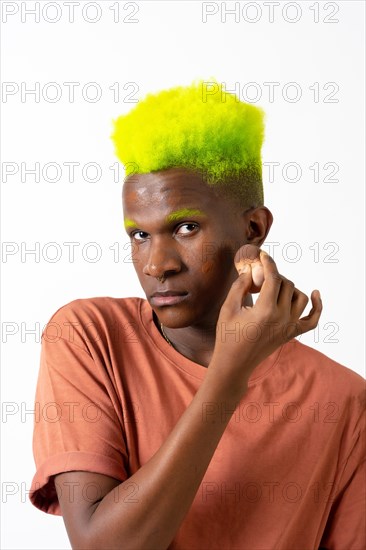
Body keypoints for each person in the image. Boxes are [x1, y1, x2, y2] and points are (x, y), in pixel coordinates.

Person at [29, 81, 365, 549]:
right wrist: (229, 375)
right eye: (138, 235)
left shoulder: (345, 400)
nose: (156, 264)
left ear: (254, 228)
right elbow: (101, 544)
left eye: (186, 227)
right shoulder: (89, 337)